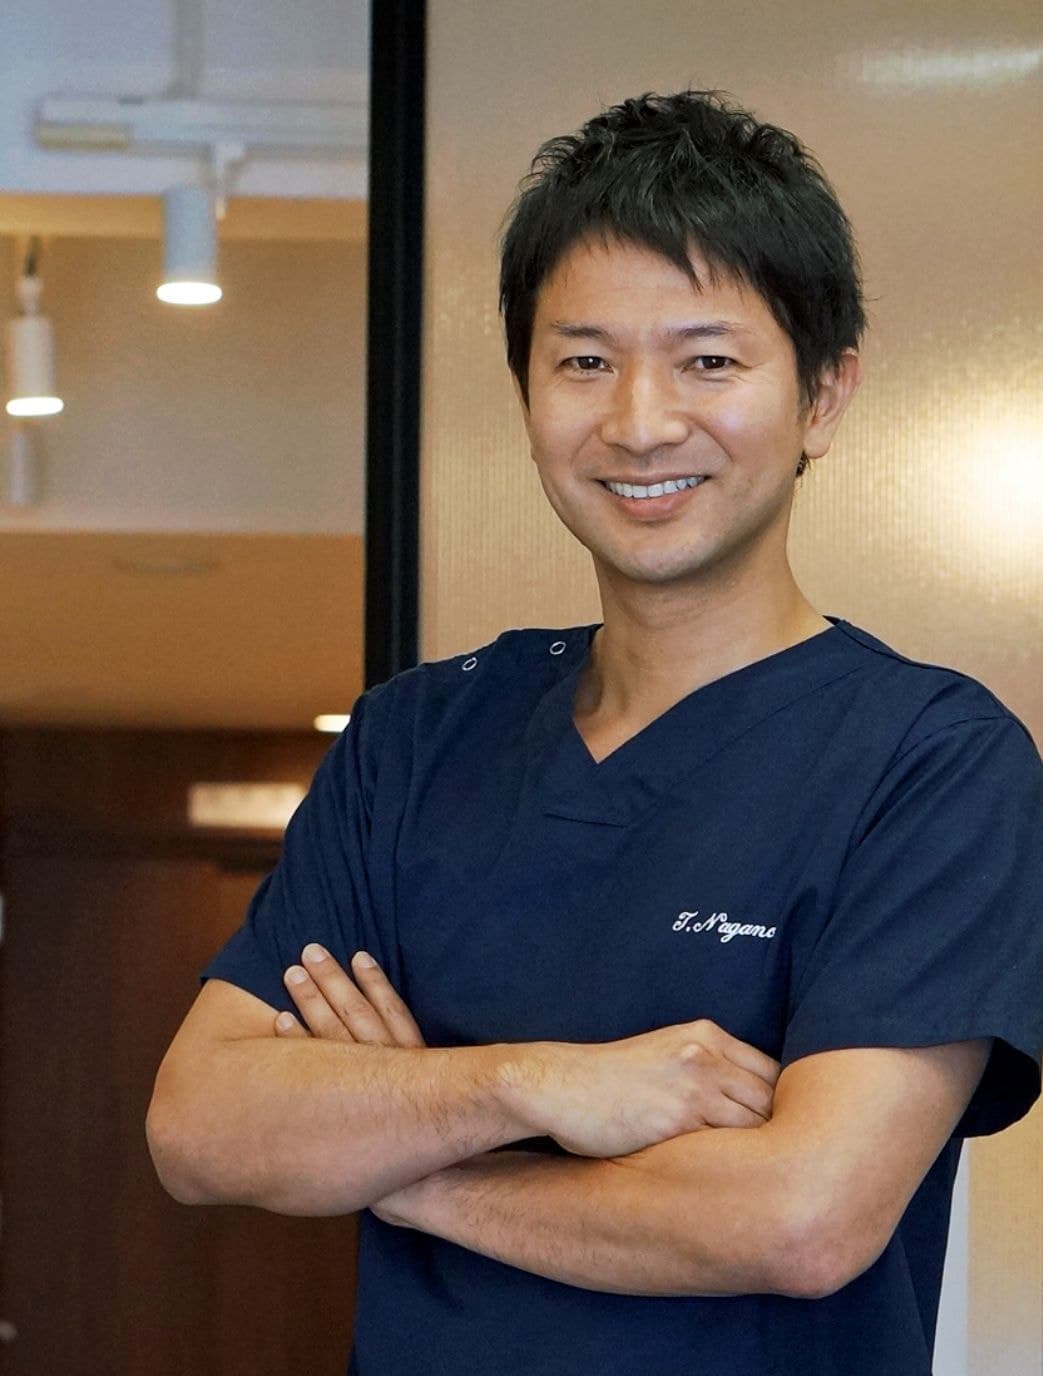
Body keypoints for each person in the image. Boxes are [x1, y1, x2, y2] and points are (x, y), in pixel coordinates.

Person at [147, 91, 1043, 1376]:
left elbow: (802, 1218)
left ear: (823, 392)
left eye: (708, 361)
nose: (637, 421)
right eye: (582, 361)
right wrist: (534, 1083)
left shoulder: (928, 761)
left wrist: (405, 1163)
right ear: (525, 387)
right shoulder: (416, 737)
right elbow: (199, 1122)